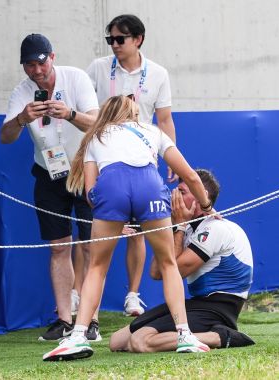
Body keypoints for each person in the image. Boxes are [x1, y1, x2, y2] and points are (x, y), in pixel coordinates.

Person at [42, 95, 215, 361]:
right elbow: (190, 176)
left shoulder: (96, 135)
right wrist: (206, 205)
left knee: (97, 267)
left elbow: (90, 193)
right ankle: (184, 335)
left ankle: (77, 336)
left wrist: (115, 217)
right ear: (133, 113)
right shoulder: (152, 131)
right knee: (168, 263)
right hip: (149, 184)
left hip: (111, 189)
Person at [0, 33, 99, 341]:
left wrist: (68, 114)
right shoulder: (22, 92)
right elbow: (5, 136)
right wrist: (21, 118)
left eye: (40, 63)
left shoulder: (77, 78)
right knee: (58, 247)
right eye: (29, 65)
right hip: (48, 174)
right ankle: (65, 321)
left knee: (90, 247)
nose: (36, 71)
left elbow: (96, 124)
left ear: (52, 57)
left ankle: (90, 320)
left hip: (85, 170)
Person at [84, 14, 177, 322]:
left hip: (143, 156)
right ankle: (86, 314)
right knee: (97, 235)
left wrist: (169, 159)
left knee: (139, 231)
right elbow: (88, 112)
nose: (114, 45)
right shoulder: (98, 68)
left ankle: (133, 295)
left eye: (119, 39)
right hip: (107, 156)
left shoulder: (158, 73)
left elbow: (164, 120)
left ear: (138, 39)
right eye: (110, 40)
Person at [109, 169, 255, 353]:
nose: (173, 195)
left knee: (140, 342)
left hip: (219, 308)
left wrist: (179, 227)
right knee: (117, 341)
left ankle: (222, 336)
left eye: (182, 191)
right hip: (197, 303)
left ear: (202, 197)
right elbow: (156, 272)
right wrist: (177, 227)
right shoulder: (187, 229)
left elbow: (174, 271)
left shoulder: (215, 228)